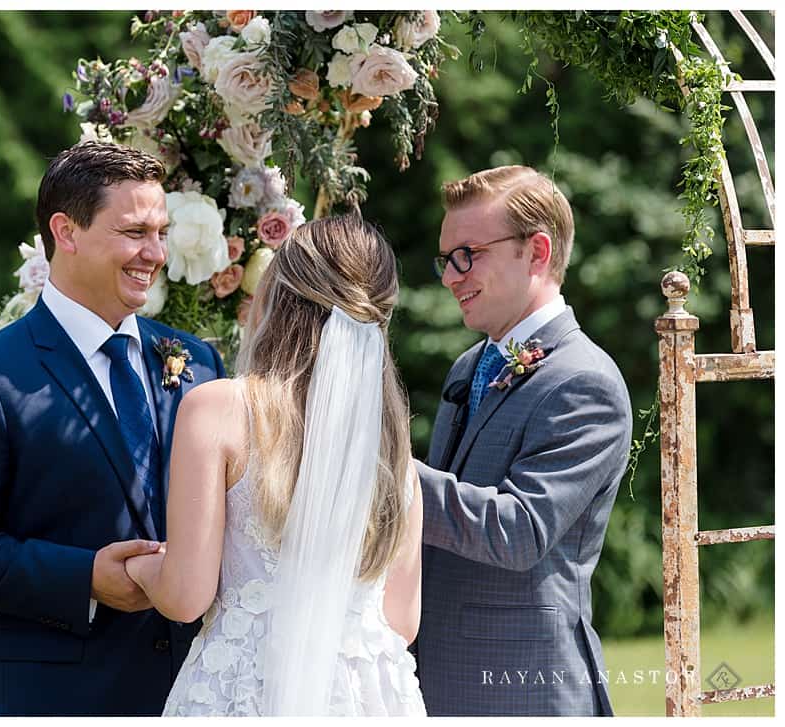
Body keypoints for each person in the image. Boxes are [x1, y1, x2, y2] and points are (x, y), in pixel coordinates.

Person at [0, 142, 226, 716]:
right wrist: (83, 578)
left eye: (161, 232)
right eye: (133, 232)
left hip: (193, 693)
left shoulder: (197, 362)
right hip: (53, 699)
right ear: (66, 232)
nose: (154, 253)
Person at [123, 215, 426, 716]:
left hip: (247, 688)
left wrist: (141, 563)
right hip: (368, 696)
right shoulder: (396, 455)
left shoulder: (219, 409)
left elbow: (185, 596)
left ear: (280, 296)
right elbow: (400, 620)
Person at [414, 165, 632, 716]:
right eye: (446, 259)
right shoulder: (470, 365)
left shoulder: (586, 381)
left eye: (467, 254)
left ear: (536, 252)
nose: (450, 276)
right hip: (437, 677)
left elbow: (518, 531)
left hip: (523, 688)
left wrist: (385, 475)